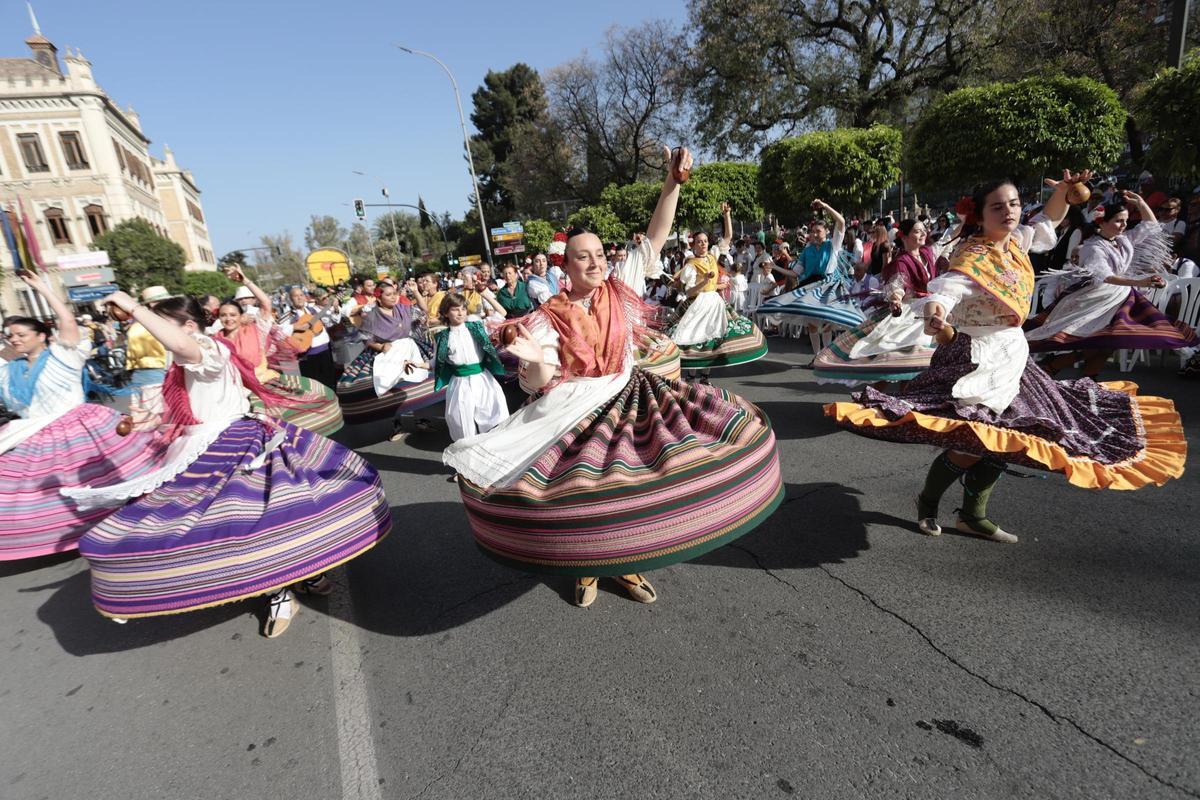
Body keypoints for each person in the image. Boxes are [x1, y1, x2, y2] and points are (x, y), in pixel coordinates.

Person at [444, 146, 783, 607]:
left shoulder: (620, 287)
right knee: (581, 493)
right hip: (571, 410)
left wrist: (672, 183)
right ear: (565, 266)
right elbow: (538, 380)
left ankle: (623, 562)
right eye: (583, 257)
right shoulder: (549, 315)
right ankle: (585, 569)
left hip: (630, 396)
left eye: (600, 254)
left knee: (631, 484)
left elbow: (656, 236)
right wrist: (533, 359)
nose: (595, 262)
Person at [826, 173, 1186, 544]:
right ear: (980, 216)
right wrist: (936, 312)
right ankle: (929, 501)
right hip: (977, 355)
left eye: (1014, 204)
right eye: (998, 207)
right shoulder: (973, 254)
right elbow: (948, 289)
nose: (1009, 212)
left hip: (1015, 354)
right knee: (975, 441)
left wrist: (1061, 193)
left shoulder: (1016, 240)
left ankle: (972, 515)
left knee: (1012, 438)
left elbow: (1047, 220)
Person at [67, 292, 390, 637]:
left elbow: (188, 353)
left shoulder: (207, 349)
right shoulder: (187, 359)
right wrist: (148, 421)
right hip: (202, 446)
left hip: (234, 444)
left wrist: (134, 308)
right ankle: (292, 580)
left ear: (189, 326)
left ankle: (287, 584)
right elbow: (188, 407)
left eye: (163, 325)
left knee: (252, 524)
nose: (155, 333)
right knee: (244, 525)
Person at [0, 270, 173, 560]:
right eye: (10, 336)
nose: (15, 340)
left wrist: (43, 288)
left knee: (111, 476)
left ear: (42, 335)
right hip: (32, 434)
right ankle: (58, 535)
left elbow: (67, 322)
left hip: (80, 427)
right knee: (30, 492)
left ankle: (128, 524)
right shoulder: (8, 371)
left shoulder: (62, 354)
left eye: (21, 334)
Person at [1027, 191, 1198, 379]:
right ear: (1102, 222)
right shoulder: (1092, 247)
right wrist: (1140, 282)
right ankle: (1057, 368)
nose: (1124, 225)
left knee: (1111, 342)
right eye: (1118, 221)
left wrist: (1141, 203)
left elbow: (1151, 226)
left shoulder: (1123, 240)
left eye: (1125, 221)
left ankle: (1081, 376)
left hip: (1120, 297)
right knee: (1100, 341)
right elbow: (1106, 277)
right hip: (1096, 299)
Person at [213, 269, 344, 436]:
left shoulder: (256, 330)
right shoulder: (215, 341)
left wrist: (246, 280)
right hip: (238, 394)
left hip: (267, 383)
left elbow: (266, 304)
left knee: (304, 413)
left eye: (233, 314)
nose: (228, 318)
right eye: (224, 315)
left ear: (241, 316)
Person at [812, 218, 940, 386]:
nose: (923, 233)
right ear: (904, 236)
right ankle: (879, 397)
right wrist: (896, 299)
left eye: (924, 230)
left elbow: (949, 241)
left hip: (930, 311)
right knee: (895, 359)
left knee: (917, 361)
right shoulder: (902, 261)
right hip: (911, 313)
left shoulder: (928, 253)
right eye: (917, 231)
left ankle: (906, 398)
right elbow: (898, 284)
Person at [668, 201, 769, 374]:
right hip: (697, 303)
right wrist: (705, 281)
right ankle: (693, 376)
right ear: (693, 245)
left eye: (705, 241)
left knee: (714, 337)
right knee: (693, 338)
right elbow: (688, 291)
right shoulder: (691, 265)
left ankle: (705, 376)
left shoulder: (713, 254)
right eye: (699, 242)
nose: (703, 244)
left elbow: (728, 237)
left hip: (714, 302)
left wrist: (727, 215)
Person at [335, 281, 444, 431]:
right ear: (379, 298)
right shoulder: (371, 315)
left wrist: (416, 292)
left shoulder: (404, 308)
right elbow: (366, 339)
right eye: (388, 295)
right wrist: (381, 346)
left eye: (394, 294)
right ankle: (397, 423)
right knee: (391, 386)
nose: (393, 297)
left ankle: (420, 418)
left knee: (416, 383)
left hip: (410, 349)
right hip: (386, 353)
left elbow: (424, 310)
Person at [408, 292, 508, 444]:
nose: (460, 312)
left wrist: (485, 294)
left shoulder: (476, 326)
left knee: (493, 418)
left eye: (463, 308)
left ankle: (495, 453)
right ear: (446, 313)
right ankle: (469, 460)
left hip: (483, 380)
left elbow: (501, 313)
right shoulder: (442, 336)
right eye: (455, 309)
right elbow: (434, 362)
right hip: (460, 384)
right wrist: (418, 364)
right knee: (462, 424)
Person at [281, 285, 339, 388]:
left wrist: (335, 309)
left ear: (305, 297)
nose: (299, 298)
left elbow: (330, 323)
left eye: (301, 295)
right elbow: (278, 331)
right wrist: (295, 326)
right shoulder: (288, 316)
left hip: (325, 351)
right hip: (307, 355)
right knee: (315, 386)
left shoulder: (314, 310)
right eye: (295, 296)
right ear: (290, 299)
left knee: (330, 381)